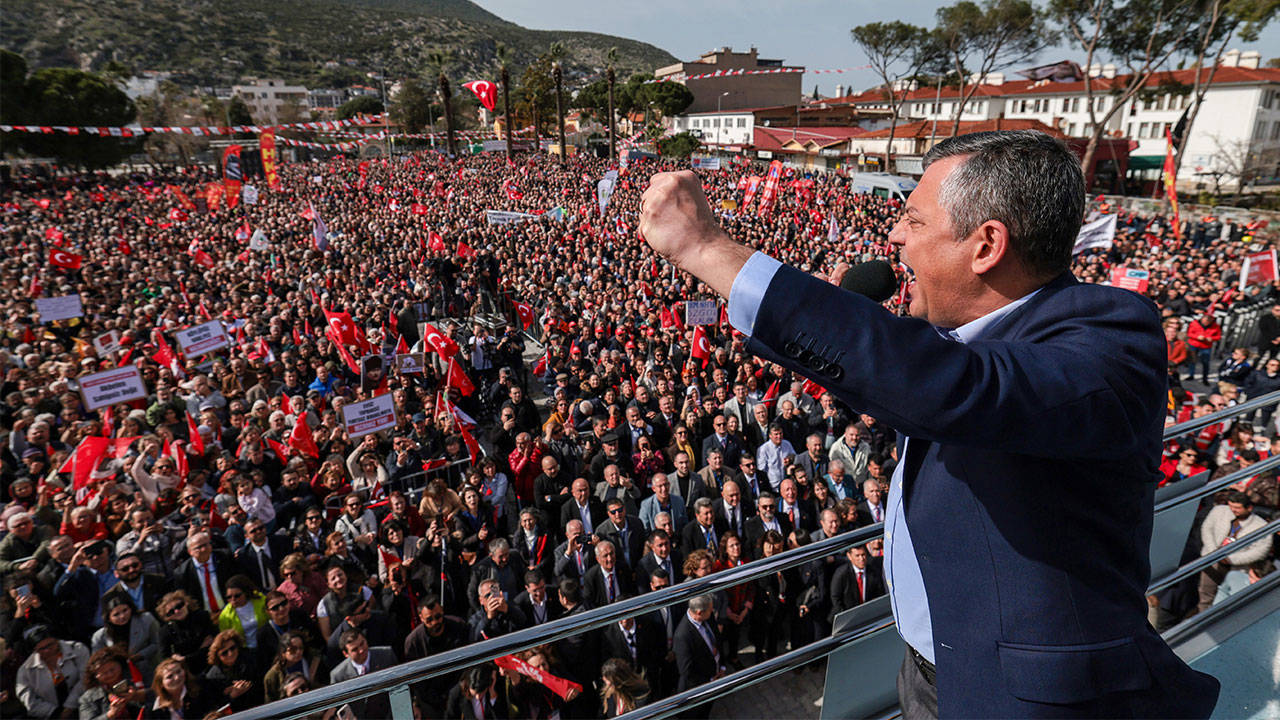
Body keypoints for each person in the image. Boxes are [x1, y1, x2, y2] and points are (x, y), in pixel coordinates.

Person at [638, 130, 1220, 717]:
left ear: (986, 245)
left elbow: (950, 387)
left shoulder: (1108, 342)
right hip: (928, 665)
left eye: (914, 221)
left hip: (1030, 698)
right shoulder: (955, 334)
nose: (894, 236)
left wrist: (708, 249)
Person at [16, 625, 90, 719]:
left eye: (50, 645)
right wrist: (55, 713)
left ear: (57, 640)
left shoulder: (78, 649)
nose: (47, 650)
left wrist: (69, 707)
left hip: (84, 705)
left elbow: (85, 678)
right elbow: (29, 701)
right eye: (41, 649)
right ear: (34, 650)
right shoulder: (26, 670)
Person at [78, 646, 148, 720]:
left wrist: (137, 696)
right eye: (104, 673)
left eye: (112, 669)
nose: (110, 674)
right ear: (95, 675)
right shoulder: (88, 698)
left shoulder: (137, 679)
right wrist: (110, 714)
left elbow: (154, 695)